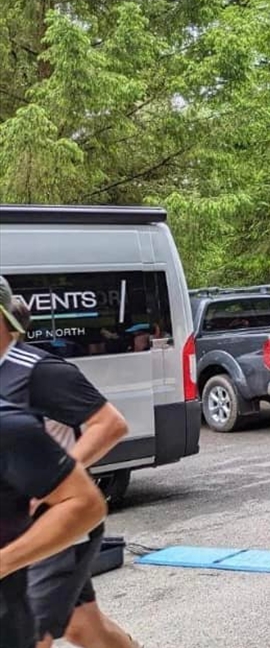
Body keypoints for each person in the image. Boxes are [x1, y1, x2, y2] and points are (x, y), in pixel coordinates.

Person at [0, 277, 138, 648]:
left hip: (58, 521)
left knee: (33, 637)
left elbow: (109, 424)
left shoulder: (37, 371)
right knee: (84, 627)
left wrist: (52, 486)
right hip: (14, 524)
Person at [1, 412, 107, 648]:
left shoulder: (40, 376)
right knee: (84, 626)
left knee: (41, 635)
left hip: (53, 526)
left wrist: (55, 479)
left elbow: (110, 424)